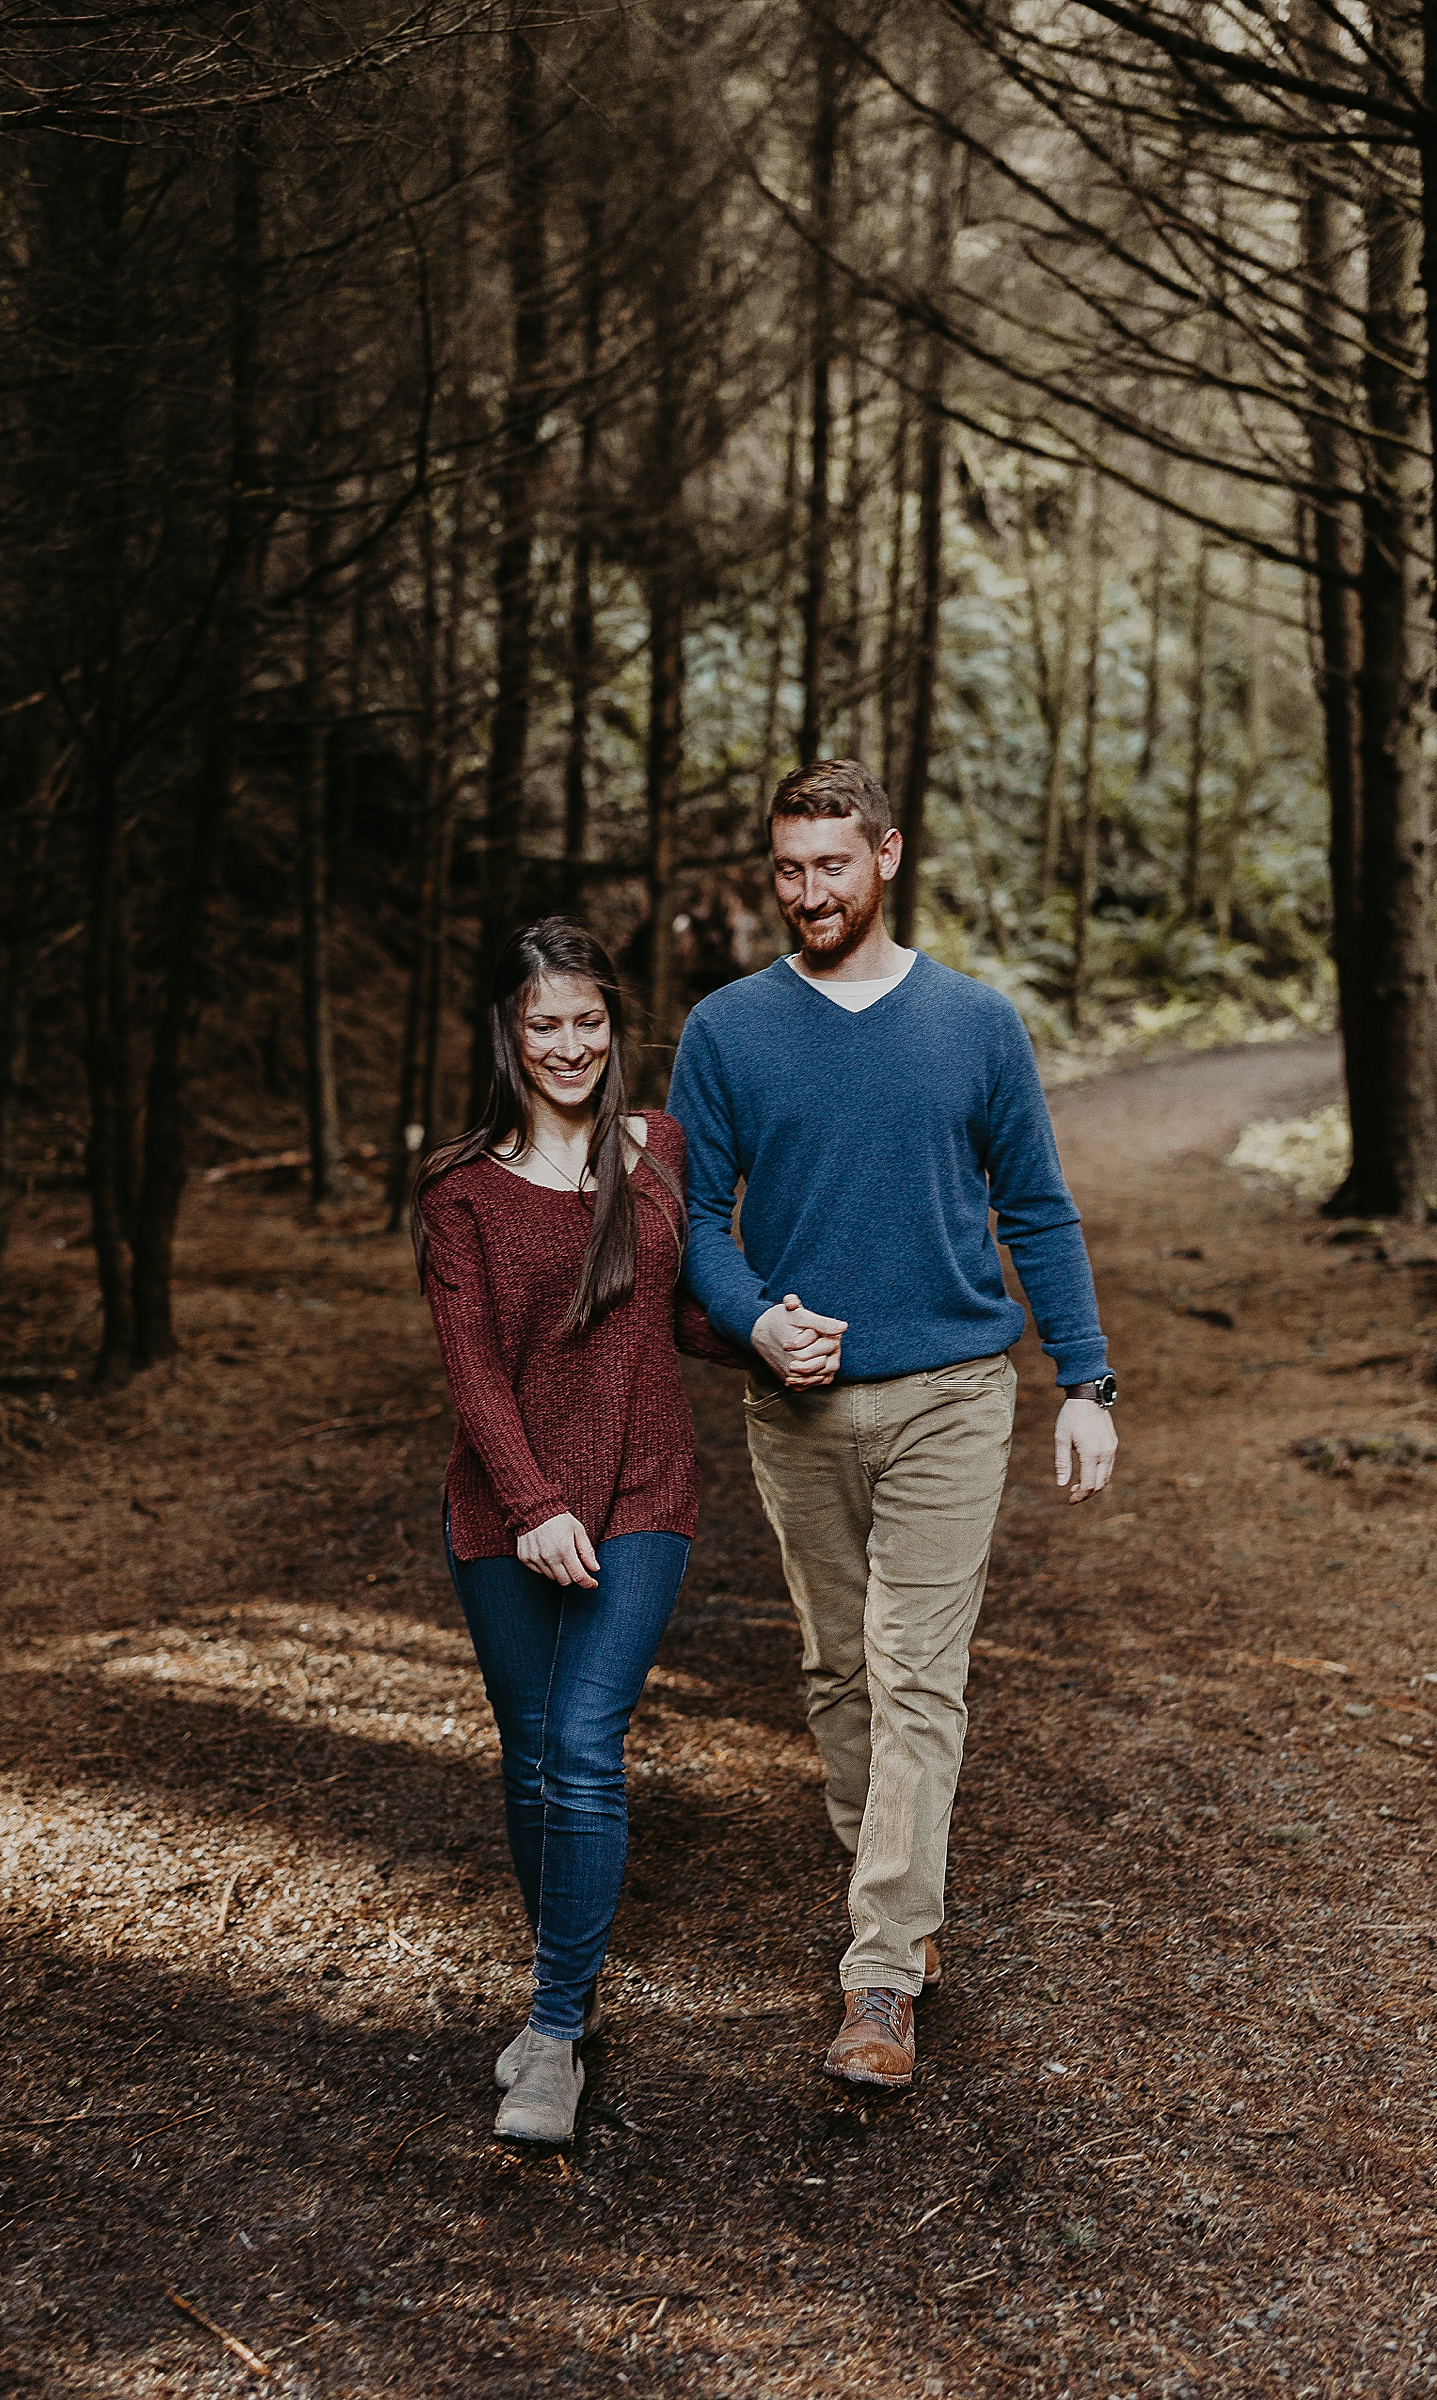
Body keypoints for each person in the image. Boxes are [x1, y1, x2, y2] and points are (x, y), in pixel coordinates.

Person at [667, 758, 1118, 2090]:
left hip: (953, 1396)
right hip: (795, 1406)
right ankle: (902, 1894)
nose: (809, 892)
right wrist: (752, 1317)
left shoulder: (975, 1023)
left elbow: (1036, 1206)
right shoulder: (728, 1031)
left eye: (832, 866)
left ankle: (879, 1972)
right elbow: (690, 1214)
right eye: (788, 870)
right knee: (837, 1671)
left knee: (917, 1671)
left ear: (888, 857)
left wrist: (1083, 1381)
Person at [411, 917, 742, 2144]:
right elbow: (475, 1375)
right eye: (542, 1025)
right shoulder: (460, 1190)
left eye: (588, 1024)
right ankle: (565, 1978)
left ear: (614, 1025)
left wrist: (772, 1332)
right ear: (507, 1032)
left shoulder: (656, 1150)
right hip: (504, 1510)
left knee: (588, 1744)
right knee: (533, 1750)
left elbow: (682, 1313)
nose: (568, 1047)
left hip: (645, 1491)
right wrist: (534, 1504)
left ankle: (555, 2033)